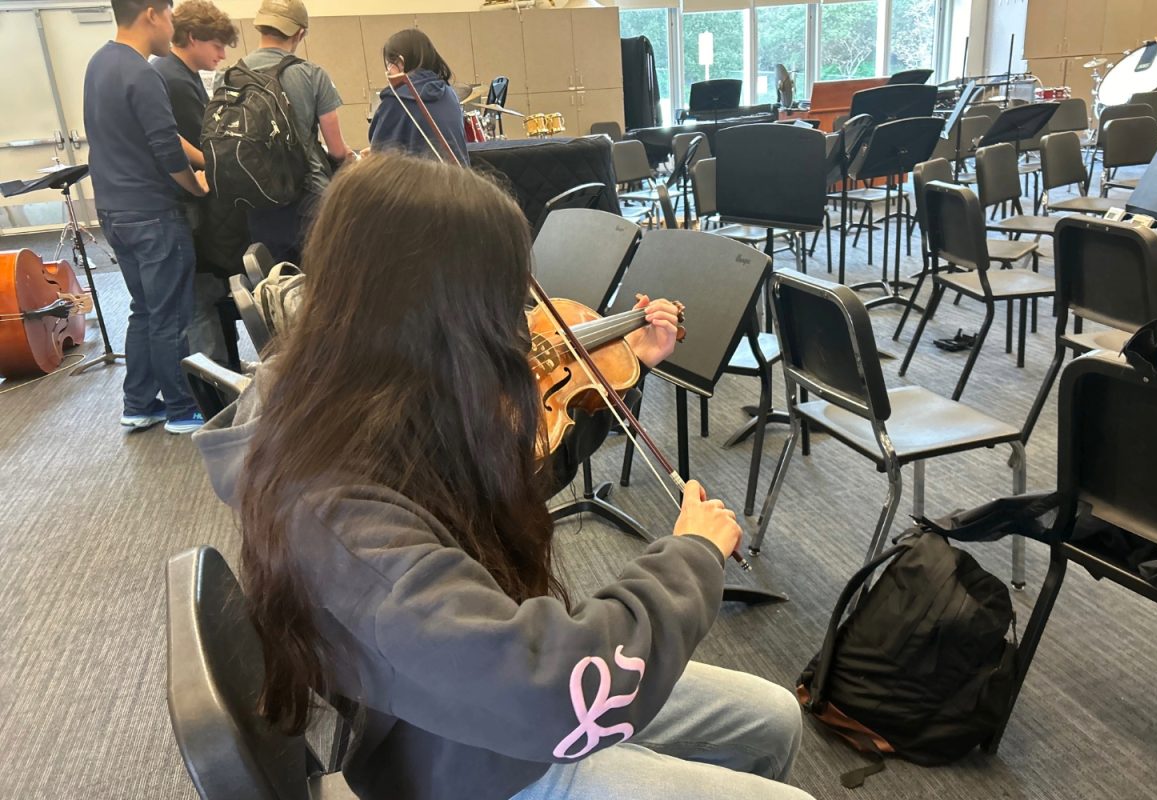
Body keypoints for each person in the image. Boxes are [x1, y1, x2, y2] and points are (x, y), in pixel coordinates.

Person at [195, 154, 812, 800]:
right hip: (472, 759)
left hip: (479, 704)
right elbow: (552, 690)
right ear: (435, 312)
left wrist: (614, 379)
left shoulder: (366, 401)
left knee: (772, 719)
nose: (519, 332)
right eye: (503, 303)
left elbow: (497, 490)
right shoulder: (341, 519)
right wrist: (691, 557)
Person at [84, 0, 207, 434]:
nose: (172, 26)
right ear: (152, 13)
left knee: (145, 309)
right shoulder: (143, 72)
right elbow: (167, 150)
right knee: (170, 313)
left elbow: (159, 133)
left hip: (114, 212)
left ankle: (137, 403)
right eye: (171, 16)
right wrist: (198, 185)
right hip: (153, 214)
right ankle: (180, 408)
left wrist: (206, 157)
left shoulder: (99, 64)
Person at [154, 0, 245, 369]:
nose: (222, 55)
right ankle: (217, 386)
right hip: (183, 204)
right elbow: (196, 142)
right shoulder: (173, 78)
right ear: (192, 38)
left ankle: (225, 368)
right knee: (202, 300)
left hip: (183, 203)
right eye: (217, 45)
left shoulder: (181, 73)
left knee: (207, 297)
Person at [234, 0, 354, 265]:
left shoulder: (231, 76)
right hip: (308, 199)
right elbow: (336, 150)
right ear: (300, 33)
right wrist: (355, 159)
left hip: (258, 202)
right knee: (321, 283)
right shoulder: (312, 74)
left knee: (276, 287)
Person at [368, 29, 469, 165]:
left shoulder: (396, 101)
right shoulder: (449, 93)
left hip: (420, 184)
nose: (388, 73)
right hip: (460, 182)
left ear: (400, 62)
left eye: (389, 66)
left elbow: (380, 158)